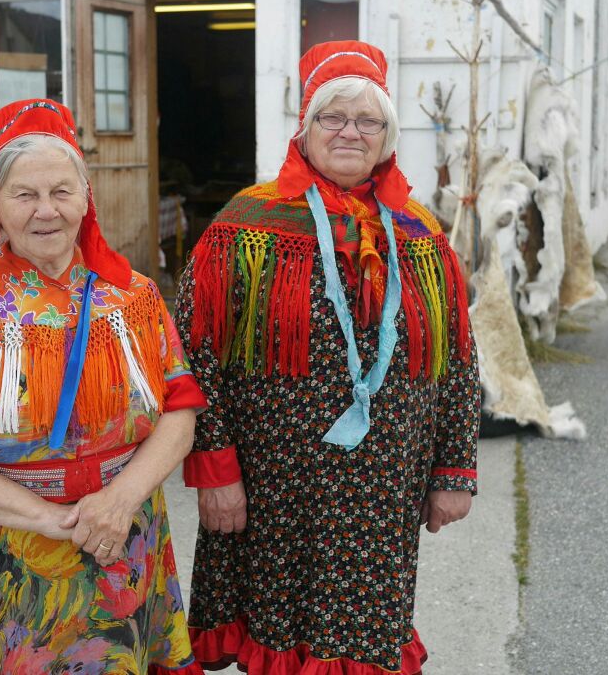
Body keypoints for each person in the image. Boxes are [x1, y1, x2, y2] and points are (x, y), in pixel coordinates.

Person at [174, 41, 481, 674]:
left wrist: (453, 469)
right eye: (332, 118)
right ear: (305, 129)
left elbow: (457, 360)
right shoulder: (244, 226)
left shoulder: (421, 233)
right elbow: (193, 356)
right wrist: (217, 471)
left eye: (367, 120)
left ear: (387, 135)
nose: (350, 132)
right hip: (274, 490)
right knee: (278, 640)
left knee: (366, 644)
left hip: (382, 496)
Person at [0, 99, 207, 674]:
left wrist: (118, 500)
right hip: (2, 553)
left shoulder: (133, 297)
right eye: (24, 194)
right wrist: (46, 519)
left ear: (87, 198)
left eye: (62, 192)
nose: (46, 211)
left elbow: (179, 412)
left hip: (120, 536)